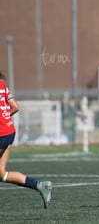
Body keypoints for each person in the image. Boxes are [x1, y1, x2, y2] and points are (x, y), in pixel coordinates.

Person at [0, 71, 52, 209]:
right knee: (1, 173)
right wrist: (4, 118)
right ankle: (40, 186)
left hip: (1, 133)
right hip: (9, 131)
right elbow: (15, 107)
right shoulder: (2, 84)